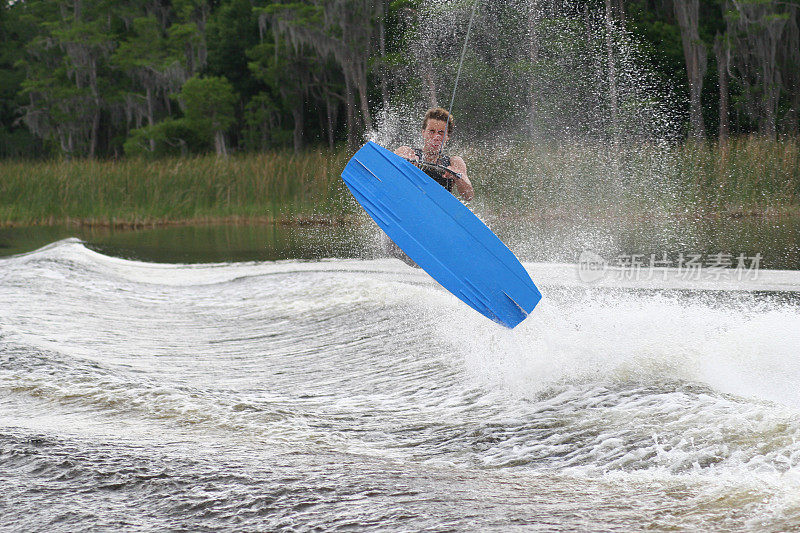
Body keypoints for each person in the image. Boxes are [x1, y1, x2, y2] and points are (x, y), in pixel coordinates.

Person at [395, 107, 474, 201]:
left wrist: (457, 176)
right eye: (431, 131)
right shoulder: (408, 152)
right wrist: (405, 161)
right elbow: (397, 157)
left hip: (437, 207)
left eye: (441, 133)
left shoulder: (454, 162)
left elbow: (469, 196)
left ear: (447, 137)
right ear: (423, 132)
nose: (436, 137)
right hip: (408, 200)